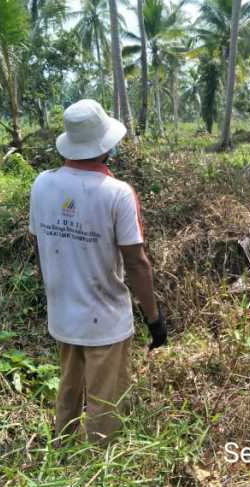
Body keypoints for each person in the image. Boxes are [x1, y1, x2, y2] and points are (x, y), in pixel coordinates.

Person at [29, 99, 168, 445]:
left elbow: (41, 244)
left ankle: (61, 447)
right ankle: (97, 465)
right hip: (105, 319)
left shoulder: (42, 184)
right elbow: (136, 263)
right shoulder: (118, 194)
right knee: (106, 404)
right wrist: (154, 318)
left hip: (63, 314)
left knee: (69, 387)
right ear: (106, 146)